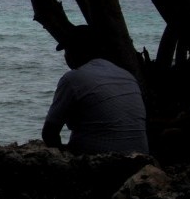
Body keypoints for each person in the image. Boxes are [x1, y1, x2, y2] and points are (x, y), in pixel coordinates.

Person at [41, 25, 149, 155]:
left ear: (77, 51)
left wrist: (62, 157)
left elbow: (49, 133)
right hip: (141, 158)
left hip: (102, 162)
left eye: (67, 51)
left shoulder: (73, 78)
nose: (66, 57)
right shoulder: (126, 75)